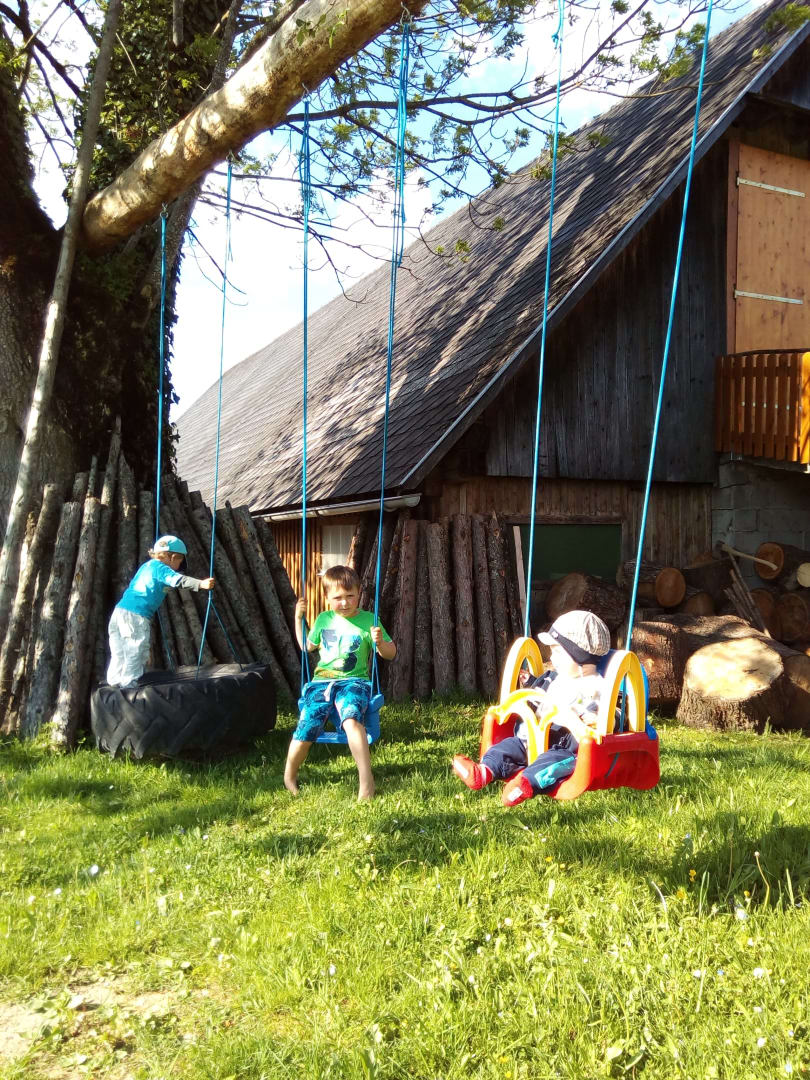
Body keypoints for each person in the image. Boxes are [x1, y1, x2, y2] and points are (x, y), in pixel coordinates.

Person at [452, 609, 611, 807]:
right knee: (507, 748)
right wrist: (530, 684)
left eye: (558, 652)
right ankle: (482, 773)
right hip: (531, 738)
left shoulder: (598, 686)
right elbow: (538, 694)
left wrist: (593, 720)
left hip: (565, 746)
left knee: (552, 763)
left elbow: (613, 714)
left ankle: (524, 785)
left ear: (580, 655)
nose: (552, 658)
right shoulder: (554, 678)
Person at [284, 564, 396, 801]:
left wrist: (379, 642)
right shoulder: (324, 619)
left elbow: (390, 653)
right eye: (337, 598)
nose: (344, 603)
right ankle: (289, 776)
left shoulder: (369, 620)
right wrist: (298, 618)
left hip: (355, 682)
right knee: (307, 723)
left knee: (351, 718)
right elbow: (306, 647)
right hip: (321, 683)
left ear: (359, 593)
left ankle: (366, 781)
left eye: (350, 596)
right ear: (327, 597)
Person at [106, 535, 215, 688]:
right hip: (136, 615)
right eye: (180, 560)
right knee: (136, 650)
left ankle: (114, 683)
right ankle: (129, 686)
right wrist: (201, 584)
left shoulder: (147, 566)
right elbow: (179, 580)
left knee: (119, 651)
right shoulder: (161, 568)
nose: (180, 565)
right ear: (173, 557)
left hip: (119, 612)